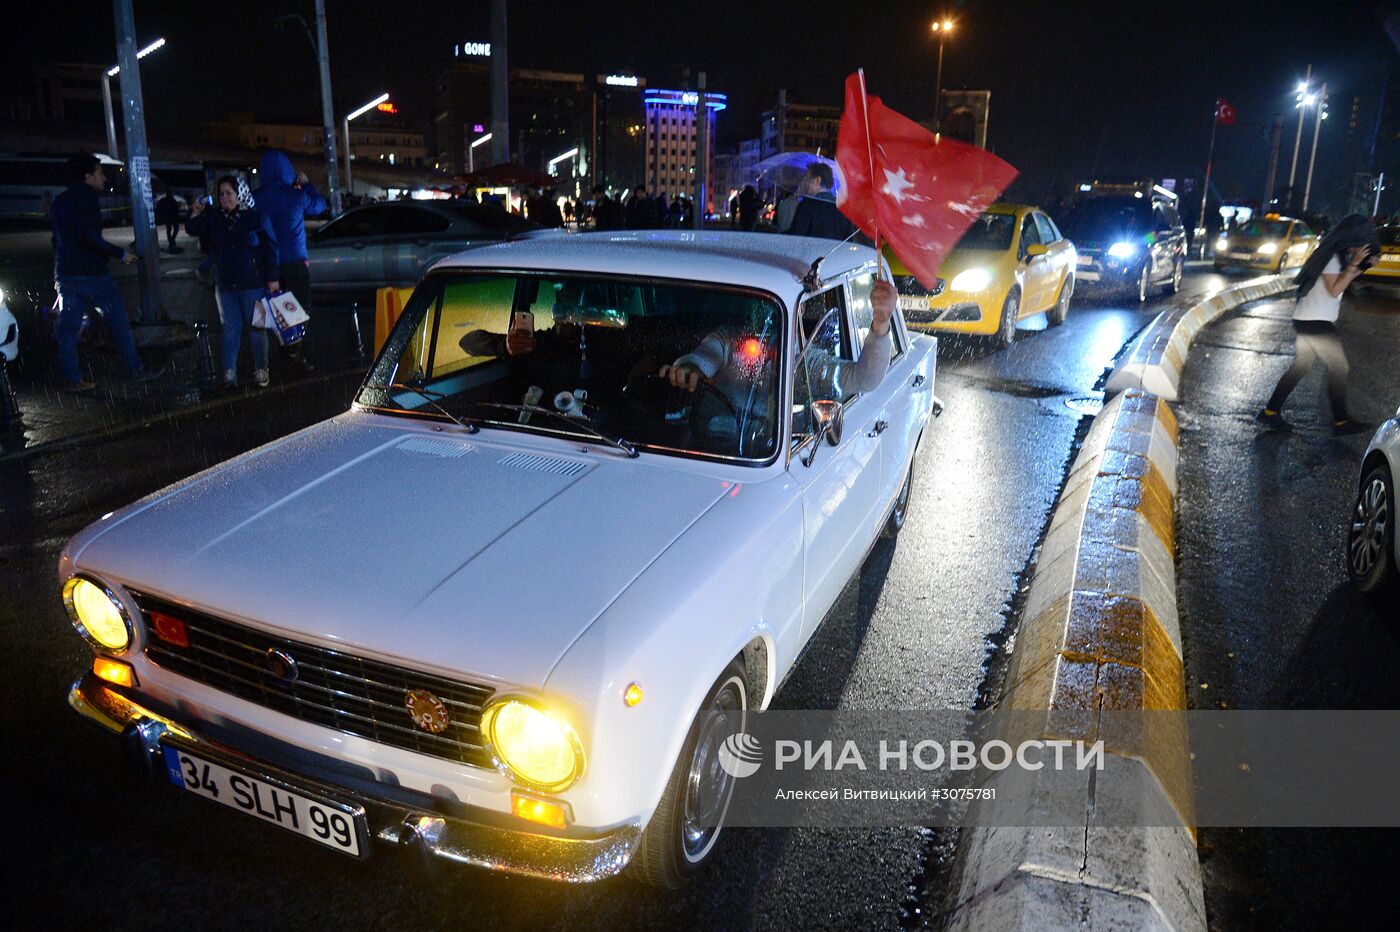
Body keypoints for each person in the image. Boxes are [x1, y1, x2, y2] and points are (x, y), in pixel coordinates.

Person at [662, 278, 897, 404]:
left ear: (801, 309)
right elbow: (705, 355)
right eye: (761, 305)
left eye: (773, 307)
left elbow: (864, 379)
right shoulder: (728, 340)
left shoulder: (809, 363)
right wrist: (690, 368)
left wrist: (880, 323)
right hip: (717, 440)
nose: (767, 316)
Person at [1258, 214, 1380, 434]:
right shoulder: (1331, 257)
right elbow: (1335, 289)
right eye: (1360, 243)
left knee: (1301, 366)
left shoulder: (1336, 255)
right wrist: (1354, 264)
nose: (1361, 247)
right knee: (1339, 367)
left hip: (1308, 318)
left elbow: (1342, 280)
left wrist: (1361, 266)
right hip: (1315, 322)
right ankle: (1341, 422)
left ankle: (1270, 412)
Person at [49, 151, 160, 393]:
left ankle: (74, 378)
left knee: (68, 329)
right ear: (87, 176)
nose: (103, 177)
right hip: (93, 274)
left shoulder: (60, 201)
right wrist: (122, 255)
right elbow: (90, 237)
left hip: (67, 274)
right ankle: (136, 369)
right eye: (99, 172)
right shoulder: (87, 198)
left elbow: (56, 239)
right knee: (119, 322)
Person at [187, 175, 280, 389]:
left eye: (229, 193)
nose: (224, 198)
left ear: (240, 194)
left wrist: (272, 278)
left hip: (253, 283)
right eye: (221, 194)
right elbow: (192, 228)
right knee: (230, 328)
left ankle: (261, 368)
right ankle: (229, 372)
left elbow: (271, 248)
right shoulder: (215, 218)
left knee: (257, 327)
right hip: (226, 284)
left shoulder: (256, 218)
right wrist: (196, 210)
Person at [255, 151, 325, 373]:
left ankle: (270, 359)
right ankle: (292, 354)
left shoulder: (255, 197)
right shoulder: (296, 196)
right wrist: (306, 184)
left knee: (272, 311)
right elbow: (320, 206)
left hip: (267, 265)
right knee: (299, 310)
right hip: (295, 261)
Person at [787, 163, 856, 240]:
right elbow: (848, 239)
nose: (803, 182)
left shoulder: (807, 206)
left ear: (817, 180)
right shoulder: (843, 208)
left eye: (806, 178)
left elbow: (795, 238)